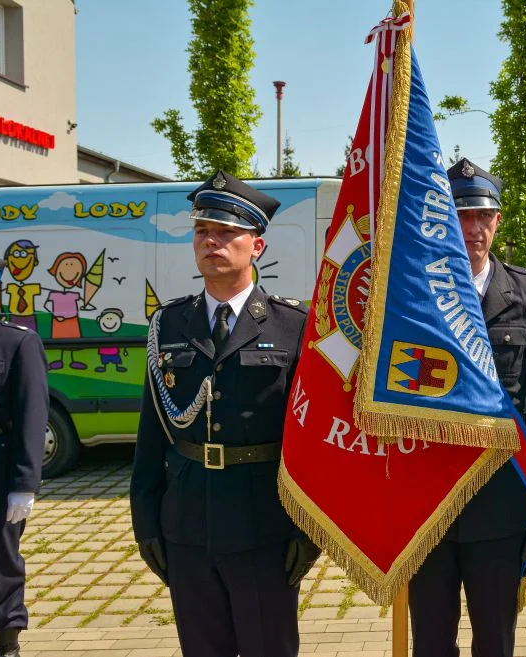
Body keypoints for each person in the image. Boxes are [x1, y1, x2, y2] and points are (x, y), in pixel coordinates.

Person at [129, 170, 321, 657]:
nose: (211, 241)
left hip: (264, 525)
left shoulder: (295, 324)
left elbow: (311, 437)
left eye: (226, 232)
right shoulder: (169, 323)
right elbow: (152, 434)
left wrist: (310, 528)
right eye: (201, 231)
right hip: (188, 524)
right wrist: (146, 522)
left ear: (256, 245)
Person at [408, 158, 526, 657]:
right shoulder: (408, 294)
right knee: (431, 642)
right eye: (460, 214)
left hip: (501, 504)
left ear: (498, 221)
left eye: (483, 216)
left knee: (495, 642)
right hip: (427, 505)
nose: (473, 228)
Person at [0, 249, 48, 657]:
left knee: (1, 563)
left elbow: (31, 415)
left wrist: (24, 484)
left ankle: (8, 641)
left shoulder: (16, 342)